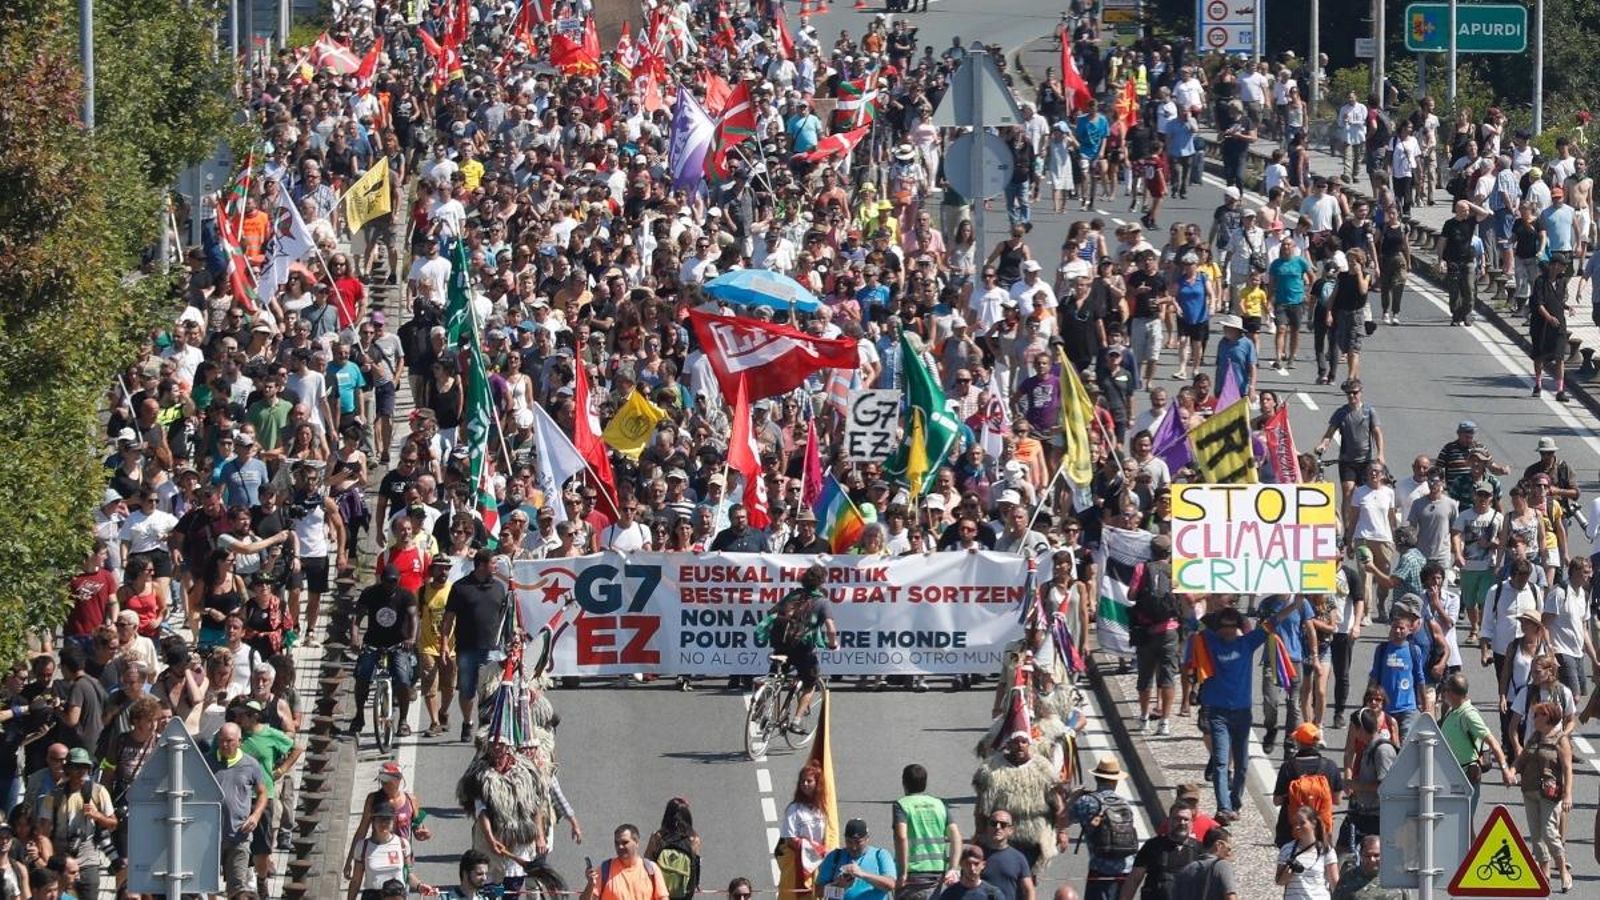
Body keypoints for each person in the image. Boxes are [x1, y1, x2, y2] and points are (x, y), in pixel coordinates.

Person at [1195, 602, 1309, 822]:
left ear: (1238, 627)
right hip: (1217, 713)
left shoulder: (1247, 643)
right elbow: (1192, 618)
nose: (1227, 630)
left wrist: (1296, 602)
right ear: (1218, 628)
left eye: (1231, 625)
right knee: (1220, 761)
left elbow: (1274, 621)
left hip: (1242, 713)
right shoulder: (1209, 641)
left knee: (1242, 763)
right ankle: (1223, 807)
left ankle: (1235, 803)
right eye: (1224, 626)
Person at [438, 549, 509, 742]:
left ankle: (487, 726)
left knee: (491, 692)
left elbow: (504, 618)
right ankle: (467, 722)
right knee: (467, 690)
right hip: (467, 648)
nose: (496, 567)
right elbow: (448, 618)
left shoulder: (499, 588)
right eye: (494, 563)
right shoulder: (460, 588)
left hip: (493, 650)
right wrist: (444, 644)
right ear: (481, 565)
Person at [755, 564, 839, 722]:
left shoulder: (793, 595)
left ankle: (759, 702)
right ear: (821, 583)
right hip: (803, 647)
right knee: (810, 682)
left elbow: (772, 613)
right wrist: (833, 644)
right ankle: (797, 720)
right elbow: (831, 629)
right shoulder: (822, 602)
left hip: (781, 643)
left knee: (774, 677)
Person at [347, 564, 419, 739]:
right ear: (382, 580)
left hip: (398, 644)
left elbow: (413, 617)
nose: (391, 584)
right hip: (373, 643)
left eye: (394, 581)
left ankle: (402, 720)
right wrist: (355, 638)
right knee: (362, 675)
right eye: (387, 581)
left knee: (403, 679)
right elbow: (357, 618)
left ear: (398, 581)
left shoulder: (406, 596)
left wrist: (411, 638)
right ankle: (359, 715)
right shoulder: (370, 593)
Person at [1511, 701, 1572, 892]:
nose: (1534, 719)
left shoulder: (1560, 739)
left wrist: (1568, 794)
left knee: (1549, 832)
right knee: (1536, 837)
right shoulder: (1535, 737)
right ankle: (1543, 872)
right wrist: (1512, 770)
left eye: (1538, 715)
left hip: (1550, 793)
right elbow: (1522, 759)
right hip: (1529, 790)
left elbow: (1568, 768)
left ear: (1549, 717)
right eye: (1534, 715)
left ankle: (1563, 871)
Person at [1437, 672, 1513, 821]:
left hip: (1466, 775)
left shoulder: (1469, 715)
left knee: (1463, 822)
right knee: (1460, 823)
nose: (1443, 695)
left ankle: (1472, 845)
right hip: (1452, 775)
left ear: (1453, 693)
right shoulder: (1453, 711)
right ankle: (1470, 845)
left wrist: (1505, 770)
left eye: (1445, 691)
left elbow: (1493, 742)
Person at [207, 722, 268, 897]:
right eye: (222, 741)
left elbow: (263, 793)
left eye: (229, 741)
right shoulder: (207, 761)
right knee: (208, 885)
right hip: (210, 836)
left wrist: (255, 816)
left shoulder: (251, 764)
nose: (225, 745)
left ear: (239, 741)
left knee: (237, 888)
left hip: (239, 834)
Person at [1063, 758, 1139, 899]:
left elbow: (1063, 821)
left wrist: (1073, 798)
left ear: (1096, 778)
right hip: (1126, 867)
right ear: (1115, 781)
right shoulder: (1124, 803)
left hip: (1101, 868)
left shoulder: (1087, 801)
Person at [893, 763, 961, 900]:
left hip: (913, 872)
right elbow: (956, 837)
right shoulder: (940, 804)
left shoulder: (902, 805)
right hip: (936, 872)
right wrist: (953, 868)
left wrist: (903, 872)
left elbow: (901, 837)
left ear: (904, 782)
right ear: (925, 783)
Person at [1117, 802, 1198, 899]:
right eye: (1178, 819)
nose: (1182, 823)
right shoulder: (1152, 846)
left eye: (1186, 819)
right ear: (1169, 821)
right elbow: (1134, 879)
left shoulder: (1199, 849)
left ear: (1192, 822)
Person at [584, 824, 671, 900]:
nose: (620, 847)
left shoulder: (651, 869)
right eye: (617, 843)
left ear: (636, 842)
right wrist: (590, 885)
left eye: (625, 842)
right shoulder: (605, 869)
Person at [819, 818, 899, 900]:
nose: (854, 847)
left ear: (867, 838)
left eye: (858, 842)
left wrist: (862, 874)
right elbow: (819, 892)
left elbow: (890, 885)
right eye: (849, 842)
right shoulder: (835, 856)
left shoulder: (880, 855)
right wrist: (838, 886)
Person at [644, 798, 702, 900]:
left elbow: (647, 864)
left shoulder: (657, 836)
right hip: (683, 895)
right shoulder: (694, 839)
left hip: (658, 894)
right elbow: (695, 867)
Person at [1276, 806, 1339, 899]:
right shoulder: (1287, 849)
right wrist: (1288, 872)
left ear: (1313, 824)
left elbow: (1334, 882)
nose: (1298, 827)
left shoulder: (1326, 850)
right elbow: (1279, 881)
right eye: (1295, 824)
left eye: (1302, 823)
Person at [975, 808, 1034, 900]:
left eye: (1003, 825)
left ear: (1011, 830)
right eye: (993, 823)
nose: (998, 827)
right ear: (987, 827)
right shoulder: (977, 855)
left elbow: (1028, 890)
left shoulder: (1018, 858)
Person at [1171, 826, 1236, 900]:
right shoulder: (1221, 865)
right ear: (1219, 845)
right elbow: (1230, 897)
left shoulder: (1185, 870)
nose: (1230, 854)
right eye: (1229, 849)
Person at [1331, 836, 1403, 899]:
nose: (1372, 860)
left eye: (1376, 855)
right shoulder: (1349, 878)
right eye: (1367, 856)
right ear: (1361, 855)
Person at [934, 843, 1003, 900]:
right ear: (961, 864)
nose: (972, 868)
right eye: (968, 863)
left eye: (976, 864)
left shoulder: (993, 894)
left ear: (983, 865)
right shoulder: (949, 894)